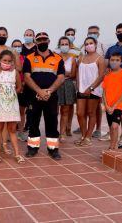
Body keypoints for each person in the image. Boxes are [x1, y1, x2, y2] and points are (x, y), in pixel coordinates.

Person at [24, 32, 65, 160]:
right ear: (36, 42)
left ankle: (53, 149)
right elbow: (26, 76)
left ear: (49, 41)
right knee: (33, 122)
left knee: (52, 122)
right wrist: (39, 91)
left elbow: (61, 77)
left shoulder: (57, 58)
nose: (42, 42)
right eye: (39, 40)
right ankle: (32, 148)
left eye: (44, 40)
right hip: (33, 96)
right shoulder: (29, 58)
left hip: (51, 96)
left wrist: (49, 91)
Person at [0, 50, 25, 164]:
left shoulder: (15, 72)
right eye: (4, 60)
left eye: (9, 61)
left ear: (13, 62)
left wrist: (11, 96)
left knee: (12, 129)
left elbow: (19, 87)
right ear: (0, 61)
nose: (7, 62)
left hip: (12, 106)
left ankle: (17, 154)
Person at [75, 37, 106, 147]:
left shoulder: (100, 59)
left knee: (91, 113)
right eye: (86, 44)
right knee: (79, 113)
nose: (89, 45)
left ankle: (88, 137)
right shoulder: (81, 57)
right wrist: (78, 86)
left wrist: (91, 88)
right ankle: (83, 135)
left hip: (94, 90)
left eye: (91, 43)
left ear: (95, 44)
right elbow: (78, 73)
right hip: (81, 89)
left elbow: (102, 76)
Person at [82, 25, 108, 139]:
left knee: (96, 107)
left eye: (95, 32)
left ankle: (97, 128)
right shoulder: (83, 48)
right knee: (84, 110)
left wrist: (96, 85)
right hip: (84, 85)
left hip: (97, 84)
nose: (92, 34)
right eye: (90, 32)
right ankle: (85, 130)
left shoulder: (103, 47)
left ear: (98, 34)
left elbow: (105, 67)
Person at [102, 52, 122, 150]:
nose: (114, 62)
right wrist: (106, 105)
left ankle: (113, 147)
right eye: (112, 60)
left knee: (115, 126)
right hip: (108, 106)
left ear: (121, 62)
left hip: (119, 105)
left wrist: (114, 106)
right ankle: (112, 147)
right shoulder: (107, 75)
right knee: (111, 127)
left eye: (117, 60)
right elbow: (104, 91)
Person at [56, 37, 77, 142]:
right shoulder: (55, 57)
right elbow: (53, 72)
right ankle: (53, 131)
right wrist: (64, 73)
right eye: (62, 44)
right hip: (56, 85)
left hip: (68, 85)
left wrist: (61, 73)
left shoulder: (73, 58)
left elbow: (73, 74)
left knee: (65, 111)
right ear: (59, 45)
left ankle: (62, 133)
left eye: (66, 44)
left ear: (69, 45)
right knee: (54, 111)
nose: (64, 46)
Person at [64, 28, 81, 136]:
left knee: (70, 106)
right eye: (68, 34)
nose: (70, 36)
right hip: (60, 82)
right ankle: (61, 126)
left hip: (72, 81)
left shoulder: (78, 51)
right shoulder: (57, 50)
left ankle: (68, 126)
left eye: (72, 34)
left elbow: (79, 66)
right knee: (61, 107)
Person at [11, 39, 28, 141]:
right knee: (11, 111)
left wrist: (23, 84)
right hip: (11, 88)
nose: (17, 48)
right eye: (14, 46)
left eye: (18, 46)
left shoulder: (25, 58)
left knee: (21, 111)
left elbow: (27, 73)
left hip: (22, 88)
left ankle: (21, 133)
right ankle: (10, 133)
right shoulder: (8, 58)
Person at [21, 29, 37, 133]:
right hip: (22, 81)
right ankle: (20, 126)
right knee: (22, 105)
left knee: (32, 105)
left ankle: (30, 124)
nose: (28, 36)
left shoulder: (37, 48)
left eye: (30, 35)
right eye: (26, 34)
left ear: (33, 36)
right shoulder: (20, 48)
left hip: (33, 81)